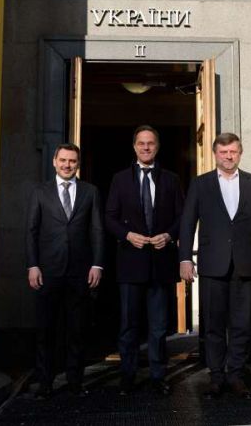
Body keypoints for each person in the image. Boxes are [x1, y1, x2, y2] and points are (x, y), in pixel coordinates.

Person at [179, 132, 251, 399]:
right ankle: (216, 376)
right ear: (215, 154)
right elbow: (187, 223)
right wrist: (185, 258)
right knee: (213, 324)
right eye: (223, 152)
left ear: (240, 153)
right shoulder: (200, 184)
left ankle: (235, 375)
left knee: (242, 324)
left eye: (233, 151)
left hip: (247, 265)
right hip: (213, 265)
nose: (228, 156)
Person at [105, 125, 184, 396]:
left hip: (161, 263)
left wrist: (169, 235)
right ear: (134, 147)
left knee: (159, 327)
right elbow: (109, 217)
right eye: (141, 143)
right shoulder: (120, 180)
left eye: (150, 143)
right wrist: (128, 235)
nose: (146, 147)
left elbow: (182, 216)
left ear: (157, 147)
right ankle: (127, 377)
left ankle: (158, 376)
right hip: (130, 262)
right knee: (128, 325)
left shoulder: (172, 179)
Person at [26, 143, 104, 399]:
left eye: (72, 161)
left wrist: (97, 264)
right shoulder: (40, 192)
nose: (67, 165)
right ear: (54, 162)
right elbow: (31, 231)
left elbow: (97, 230)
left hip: (80, 272)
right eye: (63, 160)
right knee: (46, 330)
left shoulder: (90, 192)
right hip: (47, 271)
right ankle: (45, 383)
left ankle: (75, 382)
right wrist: (33, 265)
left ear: (78, 163)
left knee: (77, 330)